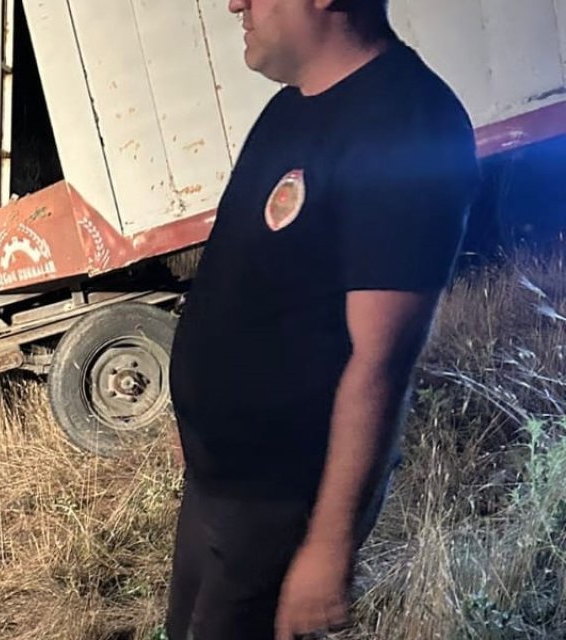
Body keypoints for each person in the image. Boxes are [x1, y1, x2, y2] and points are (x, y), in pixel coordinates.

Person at [163, 1, 481, 639]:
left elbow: (381, 363)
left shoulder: (406, 124)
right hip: (219, 485)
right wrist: (198, 426)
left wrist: (329, 547)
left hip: (284, 504)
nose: (235, 3)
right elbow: (251, 287)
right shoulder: (293, 105)